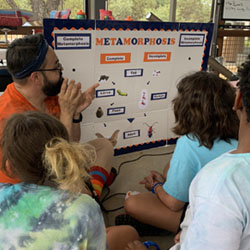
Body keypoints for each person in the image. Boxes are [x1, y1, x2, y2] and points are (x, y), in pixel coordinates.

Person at [126, 56, 250, 250]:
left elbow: (174, 203)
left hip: (192, 212)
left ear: (239, 100)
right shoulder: (237, 137)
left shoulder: (193, 147)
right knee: (169, 169)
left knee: (132, 201)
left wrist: (156, 186)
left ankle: (169, 225)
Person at [0, 33, 118, 198]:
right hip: (31, 187)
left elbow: (73, 143)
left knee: (103, 146)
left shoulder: (48, 94)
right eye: (56, 66)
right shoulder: (10, 117)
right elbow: (61, 161)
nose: (61, 69)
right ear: (36, 77)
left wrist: (74, 113)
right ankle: (92, 192)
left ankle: (93, 191)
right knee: (74, 187)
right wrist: (67, 112)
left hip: (57, 164)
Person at [0, 111, 138, 250]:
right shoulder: (82, 207)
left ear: (9, 167)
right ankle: (96, 185)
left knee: (103, 147)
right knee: (128, 233)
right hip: (78, 204)